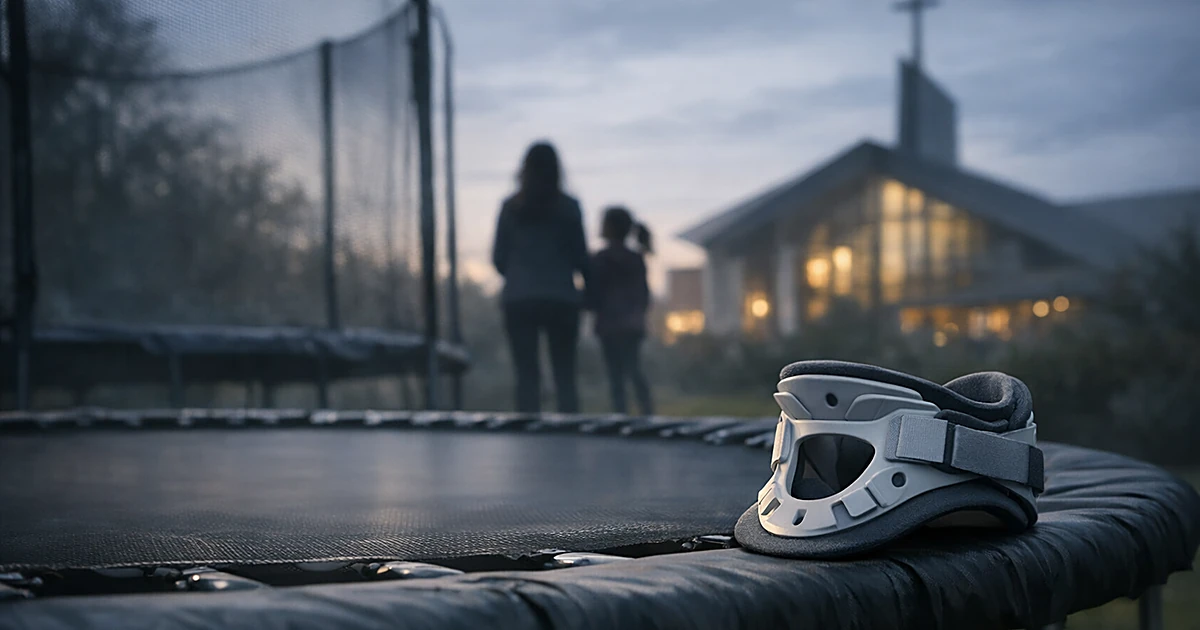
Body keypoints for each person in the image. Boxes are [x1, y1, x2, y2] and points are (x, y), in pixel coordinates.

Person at [492, 141, 588, 413]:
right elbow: (581, 257)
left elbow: (498, 257)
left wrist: (518, 275)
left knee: (526, 376)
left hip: (520, 298)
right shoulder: (569, 207)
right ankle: (570, 440)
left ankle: (527, 439)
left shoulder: (510, 208)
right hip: (561, 298)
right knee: (565, 375)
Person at [587, 206, 654, 415]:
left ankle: (621, 415)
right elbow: (644, 295)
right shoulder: (636, 258)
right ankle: (648, 412)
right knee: (634, 369)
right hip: (633, 325)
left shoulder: (602, 258)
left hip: (609, 325)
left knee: (616, 375)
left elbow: (593, 293)